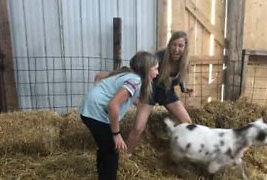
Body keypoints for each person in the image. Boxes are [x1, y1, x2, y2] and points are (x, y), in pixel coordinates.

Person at [79, 51, 159, 180]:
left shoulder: (127, 73)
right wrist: (116, 134)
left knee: (106, 147)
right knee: (112, 151)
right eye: (155, 69)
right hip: (96, 114)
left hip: (88, 110)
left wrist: (98, 94)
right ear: (146, 69)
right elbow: (113, 105)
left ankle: (102, 173)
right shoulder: (136, 81)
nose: (157, 73)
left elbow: (99, 76)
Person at [126, 31, 193, 155]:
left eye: (180, 45)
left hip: (167, 92)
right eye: (173, 45)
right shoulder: (159, 56)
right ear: (169, 45)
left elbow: (182, 77)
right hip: (150, 91)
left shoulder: (185, 61)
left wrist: (184, 88)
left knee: (187, 123)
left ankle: (184, 152)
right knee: (138, 128)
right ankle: (126, 156)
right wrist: (136, 94)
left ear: (185, 47)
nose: (176, 49)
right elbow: (142, 69)